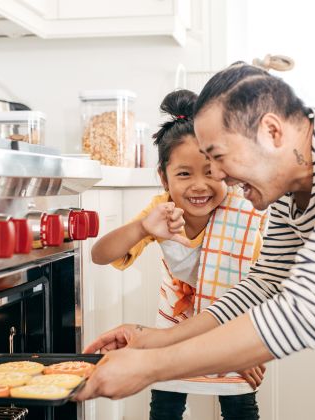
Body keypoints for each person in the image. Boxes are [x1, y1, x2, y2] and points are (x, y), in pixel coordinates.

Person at [78, 63, 315, 420]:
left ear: (271, 132)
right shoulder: (292, 182)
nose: (219, 176)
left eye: (219, 156)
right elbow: (265, 282)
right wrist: (152, 337)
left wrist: (151, 366)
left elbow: (305, 313)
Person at [89, 88, 267, 420]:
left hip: (234, 332)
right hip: (171, 331)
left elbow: (260, 286)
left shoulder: (244, 212)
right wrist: (143, 228)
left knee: (240, 407)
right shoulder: (162, 211)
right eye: (184, 174)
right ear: (163, 178)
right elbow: (100, 255)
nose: (199, 185)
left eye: (211, 172)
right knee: (166, 408)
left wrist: (251, 346)